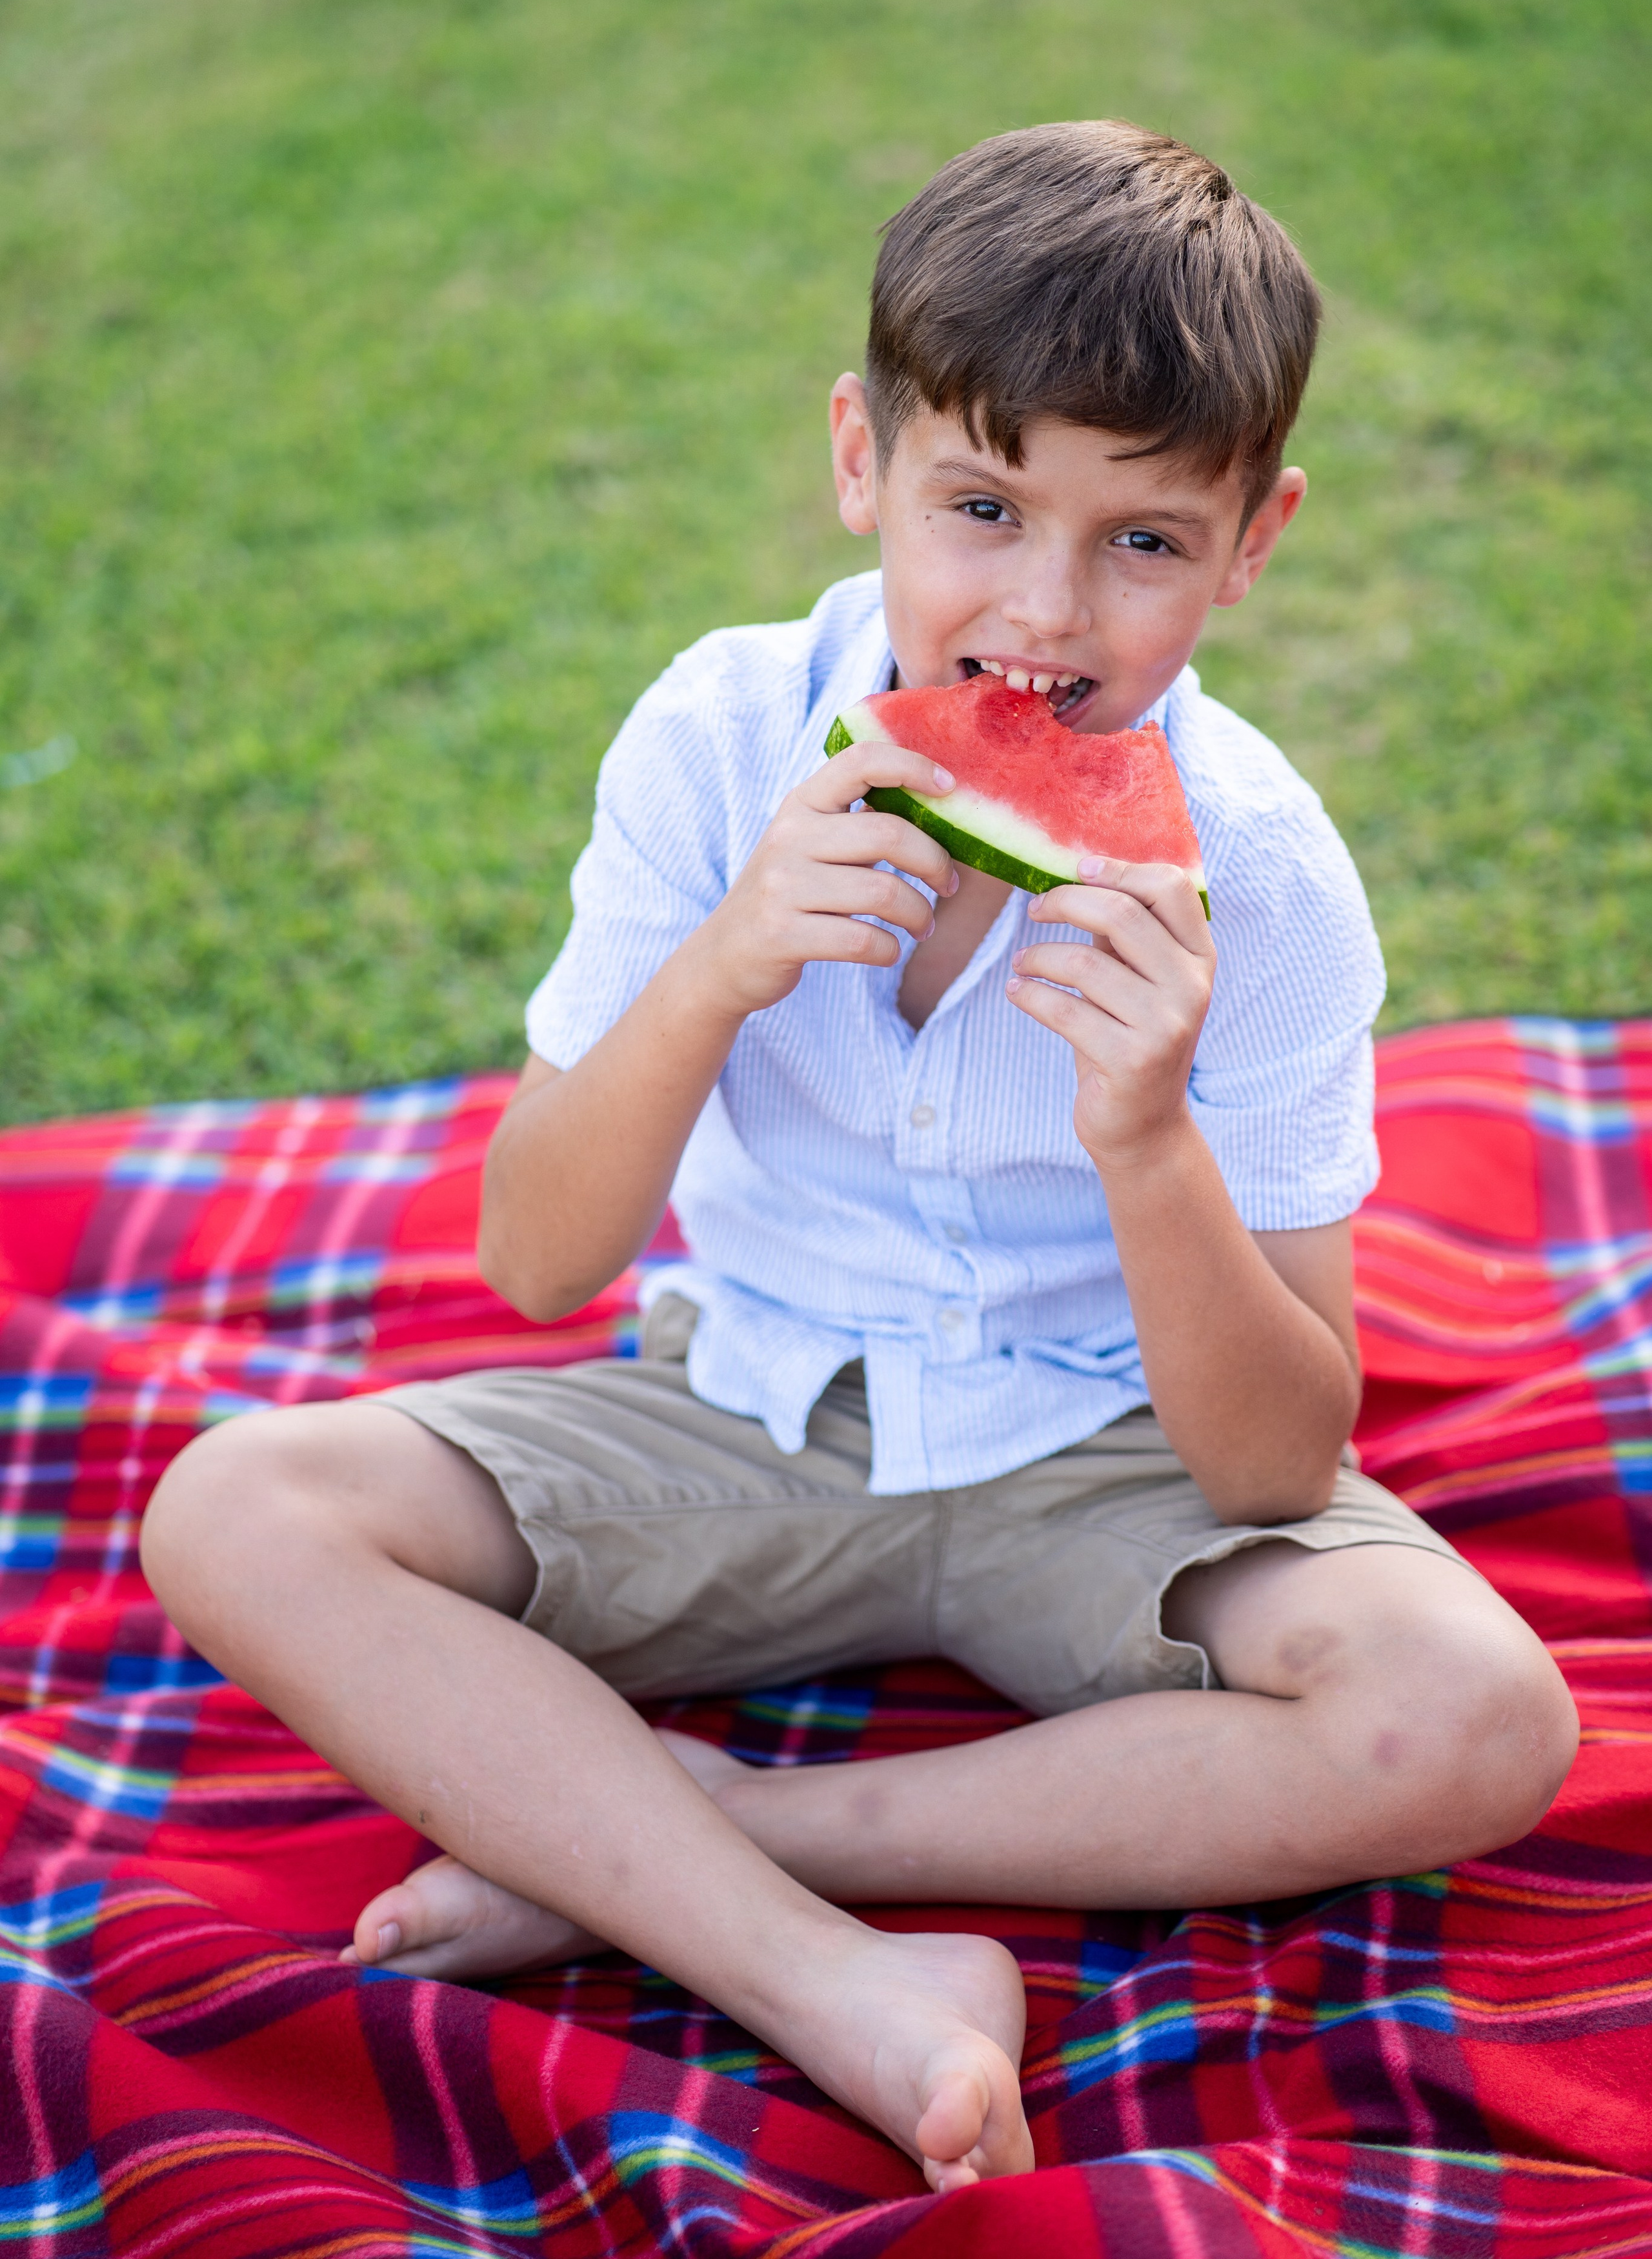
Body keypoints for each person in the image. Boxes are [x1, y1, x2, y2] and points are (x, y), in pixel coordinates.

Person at [140, 121, 1578, 2195]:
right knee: (240, 1508)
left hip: (1109, 1462)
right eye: (980, 508)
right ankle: (835, 1979)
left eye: (1143, 545)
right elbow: (541, 1262)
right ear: (859, 459)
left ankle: (694, 1831)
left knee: (1479, 1721)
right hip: (750, 1408)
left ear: (1255, 543)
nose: (1042, 616)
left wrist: (1147, 1135)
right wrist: (719, 970)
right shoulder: (721, 739)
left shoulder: (1256, 870)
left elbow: (1277, 1464)